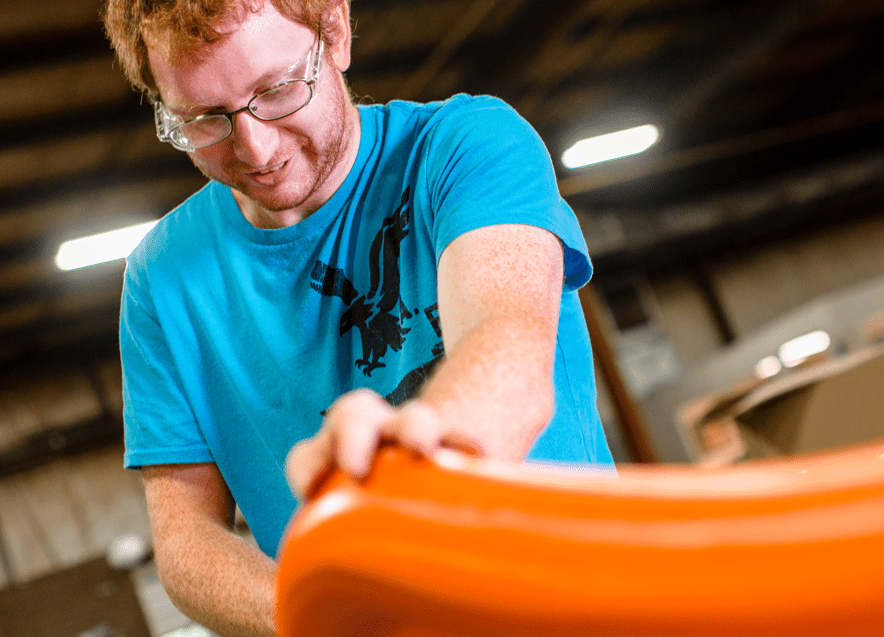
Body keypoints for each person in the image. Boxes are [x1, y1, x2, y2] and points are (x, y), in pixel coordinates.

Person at [104, 0, 613, 634]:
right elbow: (185, 542)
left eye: (278, 89)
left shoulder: (466, 146)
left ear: (336, 32)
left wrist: (416, 455)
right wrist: (323, 613)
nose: (256, 147)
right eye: (205, 119)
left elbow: (505, 348)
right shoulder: (161, 277)